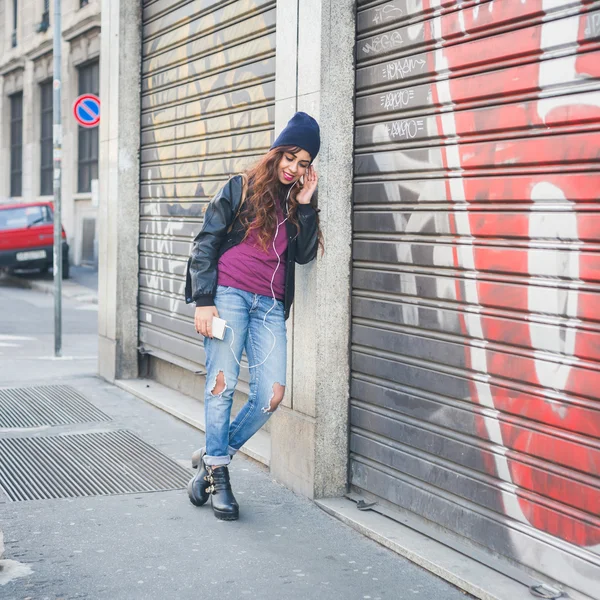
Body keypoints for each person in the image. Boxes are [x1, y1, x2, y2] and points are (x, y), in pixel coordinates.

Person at [184, 112, 322, 521]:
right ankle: (220, 477)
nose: (293, 168)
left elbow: (305, 255)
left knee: (271, 396)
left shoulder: (296, 203)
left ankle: (213, 455)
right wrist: (203, 300)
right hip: (228, 295)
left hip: (270, 306)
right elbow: (205, 242)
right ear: (277, 151)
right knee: (221, 386)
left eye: (303, 163)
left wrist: (305, 205)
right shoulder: (240, 187)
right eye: (290, 157)